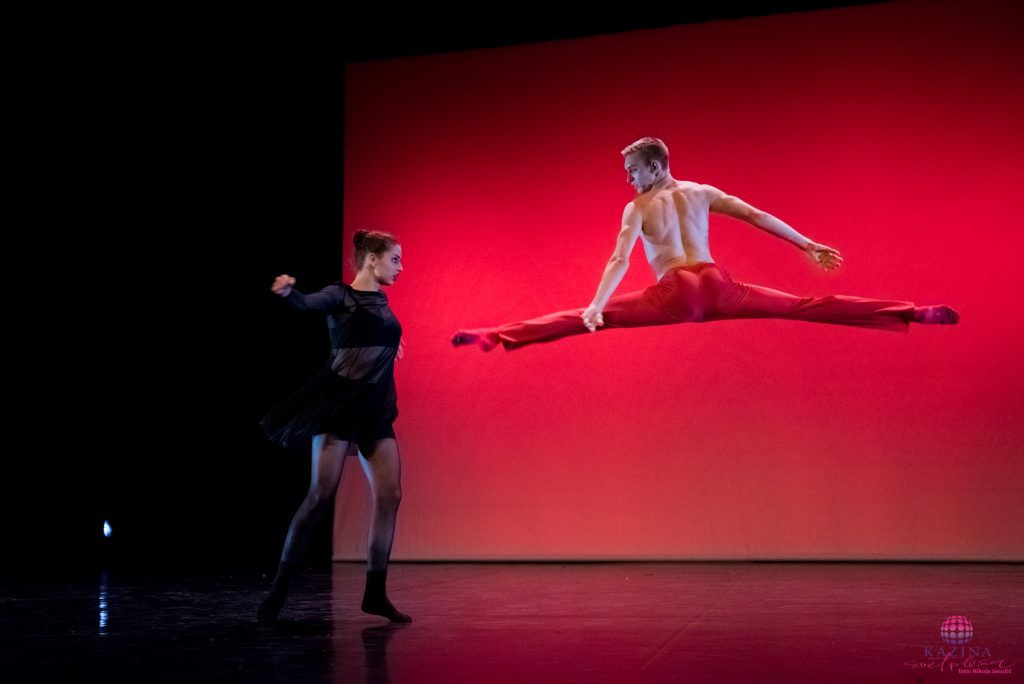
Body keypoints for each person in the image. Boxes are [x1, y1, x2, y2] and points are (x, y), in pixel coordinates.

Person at [452, 137, 958, 352]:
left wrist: (596, 306)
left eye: (632, 171)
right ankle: (913, 312)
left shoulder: (638, 207)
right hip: (720, 286)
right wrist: (807, 245)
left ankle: (496, 336)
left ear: (655, 166)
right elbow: (757, 216)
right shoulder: (702, 192)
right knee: (806, 305)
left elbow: (619, 257)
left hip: (673, 292)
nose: (628, 179)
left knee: (585, 318)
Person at [258, 229, 411, 624]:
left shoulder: (382, 301)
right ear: (372, 259)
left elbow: (373, 334)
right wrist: (289, 292)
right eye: (395, 259)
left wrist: (389, 346)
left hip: (374, 411)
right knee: (320, 496)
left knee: (390, 495)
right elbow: (308, 304)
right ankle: (278, 591)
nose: (400, 267)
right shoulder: (340, 295)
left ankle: (375, 594)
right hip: (338, 409)